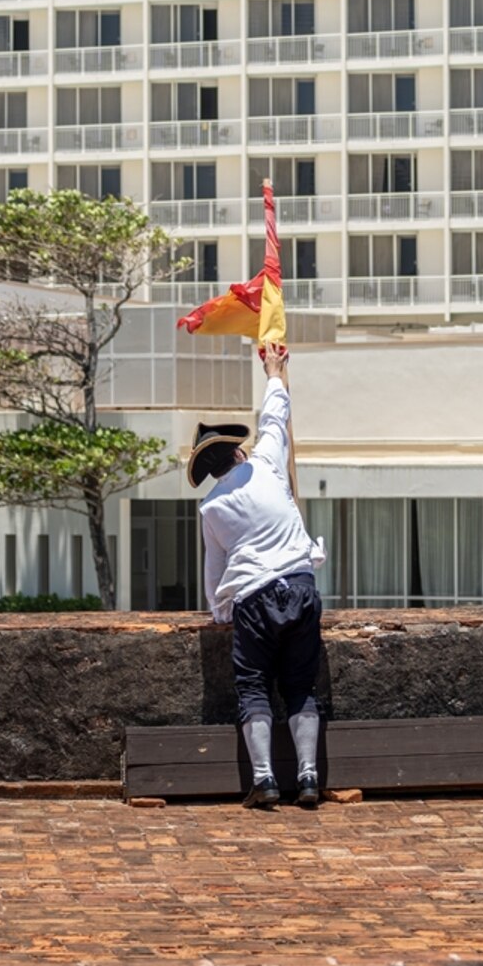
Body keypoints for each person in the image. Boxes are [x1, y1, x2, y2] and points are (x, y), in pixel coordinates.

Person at [191, 342, 328, 809]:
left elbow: (215, 567)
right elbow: (275, 416)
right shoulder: (267, 463)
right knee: (300, 687)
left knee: (253, 687)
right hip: (301, 585)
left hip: (252, 599)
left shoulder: (211, 506)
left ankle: (266, 780)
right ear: (239, 451)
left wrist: (218, 611)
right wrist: (273, 370)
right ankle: (309, 777)